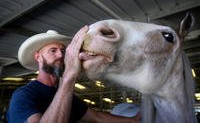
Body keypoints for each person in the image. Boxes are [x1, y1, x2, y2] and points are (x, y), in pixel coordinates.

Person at [6, 26, 140, 123]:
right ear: (38, 57)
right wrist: (69, 77)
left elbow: (97, 117)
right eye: (53, 51)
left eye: (62, 51)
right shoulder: (24, 95)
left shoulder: (66, 95)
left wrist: (133, 120)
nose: (60, 55)